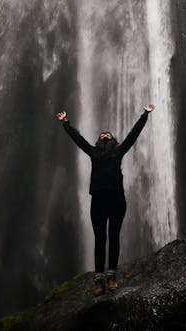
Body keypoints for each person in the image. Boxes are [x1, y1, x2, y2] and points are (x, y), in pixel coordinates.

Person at [56, 103, 155, 296]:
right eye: (102, 134)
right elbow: (79, 140)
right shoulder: (93, 153)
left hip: (117, 199)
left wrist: (145, 115)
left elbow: (133, 136)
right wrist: (66, 123)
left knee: (114, 236)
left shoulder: (118, 152)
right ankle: (99, 279)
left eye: (108, 134)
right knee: (100, 239)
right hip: (99, 200)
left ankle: (112, 276)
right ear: (98, 141)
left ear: (114, 141)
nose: (105, 135)